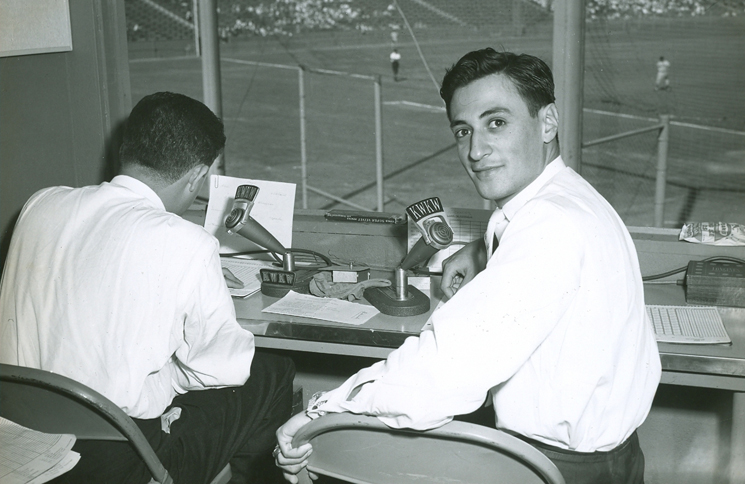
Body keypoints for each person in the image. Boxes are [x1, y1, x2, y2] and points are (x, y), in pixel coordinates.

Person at [274, 48, 661, 484]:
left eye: (496, 122)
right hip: (614, 457)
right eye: (463, 131)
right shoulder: (568, 199)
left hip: (561, 467)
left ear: (548, 122)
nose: (476, 150)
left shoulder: (548, 226)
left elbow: (444, 370)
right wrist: (482, 249)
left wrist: (320, 414)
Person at [0, 92, 295, 484]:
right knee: (271, 371)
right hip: (118, 463)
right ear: (196, 177)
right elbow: (222, 370)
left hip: (20, 443)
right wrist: (164, 381)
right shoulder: (189, 242)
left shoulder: (40, 204)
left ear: (126, 149)